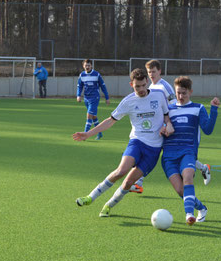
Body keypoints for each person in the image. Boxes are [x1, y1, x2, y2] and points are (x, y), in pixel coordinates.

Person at [73, 68, 174, 217]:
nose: (140, 89)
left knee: (128, 183)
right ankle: (91, 197)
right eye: (136, 86)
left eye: (143, 85)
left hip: (154, 149)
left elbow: (167, 116)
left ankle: (108, 205)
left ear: (147, 82)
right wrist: (88, 134)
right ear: (131, 84)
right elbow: (110, 121)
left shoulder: (159, 96)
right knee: (121, 171)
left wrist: (167, 125)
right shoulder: (128, 101)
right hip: (137, 142)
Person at [130, 60, 212, 194]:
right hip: (155, 126)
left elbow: (175, 107)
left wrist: (167, 125)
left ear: (159, 71)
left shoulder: (164, 87)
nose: (151, 74)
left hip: (169, 128)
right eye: (149, 72)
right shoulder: (151, 86)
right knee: (152, 152)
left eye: (154, 71)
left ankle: (138, 181)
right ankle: (203, 168)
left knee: (156, 152)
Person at [162, 76, 219, 225]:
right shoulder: (168, 109)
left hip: (188, 152)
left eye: (184, 93)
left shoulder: (198, 108)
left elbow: (207, 130)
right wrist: (163, 129)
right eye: (178, 93)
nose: (180, 97)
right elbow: (160, 128)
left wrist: (213, 110)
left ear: (190, 92)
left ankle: (189, 214)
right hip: (168, 155)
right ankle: (202, 208)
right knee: (181, 191)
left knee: (188, 177)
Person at [77, 59, 110, 140]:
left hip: (95, 98)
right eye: (86, 65)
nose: (87, 67)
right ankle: (99, 133)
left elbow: (103, 86)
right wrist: (78, 95)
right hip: (86, 98)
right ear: (83, 66)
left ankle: (84, 135)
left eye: (88, 65)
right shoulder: (82, 75)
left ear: (91, 65)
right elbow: (79, 86)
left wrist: (107, 97)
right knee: (93, 116)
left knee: (89, 116)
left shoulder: (96, 74)